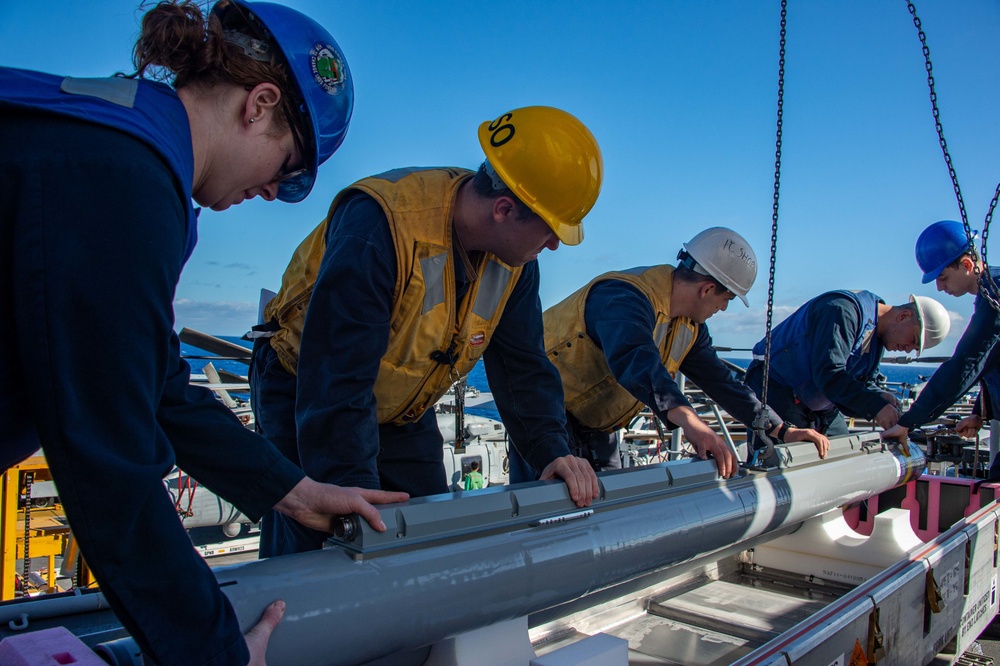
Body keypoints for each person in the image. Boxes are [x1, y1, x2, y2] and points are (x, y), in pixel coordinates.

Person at [0, 2, 409, 664]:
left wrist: (291, 490)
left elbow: (157, 380)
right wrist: (213, 651)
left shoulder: (106, 133)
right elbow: (108, 455)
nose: (276, 191)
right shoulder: (122, 180)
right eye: (289, 165)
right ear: (259, 104)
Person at [250, 105, 605, 557]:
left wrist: (551, 450)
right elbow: (336, 379)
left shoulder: (517, 264)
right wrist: (356, 506)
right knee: (321, 546)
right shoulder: (381, 225)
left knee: (427, 536)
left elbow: (522, 366)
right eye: (551, 229)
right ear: (503, 208)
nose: (554, 244)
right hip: (307, 389)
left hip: (402, 405)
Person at [534, 227, 830, 479]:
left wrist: (781, 429)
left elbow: (723, 383)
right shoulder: (623, 297)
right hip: (543, 413)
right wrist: (690, 421)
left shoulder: (688, 328)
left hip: (597, 421)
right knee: (545, 509)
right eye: (726, 299)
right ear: (708, 289)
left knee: (607, 503)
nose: (723, 308)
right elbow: (636, 359)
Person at [744, 290, 950, 437]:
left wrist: (879, 395)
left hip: (818, 402)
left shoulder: (876, 337)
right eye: (913, 340)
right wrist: (876, 407)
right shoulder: (842, 311)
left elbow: (858, 380)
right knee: (787, 465)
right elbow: (829, 373)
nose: (907, 349)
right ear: (904, 316)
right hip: (777, 391)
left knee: (843, 456)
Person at [882, 220, 1000, 475]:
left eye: (943, 276)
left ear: (967, 265)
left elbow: (966, 363)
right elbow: (992, 360)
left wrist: (908, 422)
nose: (939, 286)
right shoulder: (992, 291)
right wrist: (979, 413)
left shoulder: (994, 295)